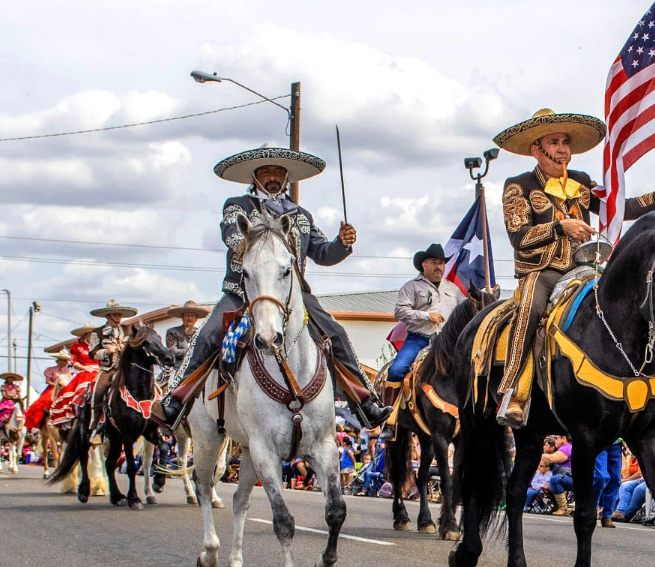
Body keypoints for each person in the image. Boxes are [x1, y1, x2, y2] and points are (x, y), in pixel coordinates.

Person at [154, 145, 391, 430]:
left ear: (287, 176)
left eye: (278, 171)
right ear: (254, 177)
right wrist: (253, 243)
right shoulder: (237, 206)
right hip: (243, 290)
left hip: (293, 295)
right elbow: (231, 236)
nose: (272, 176)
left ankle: (365, 402)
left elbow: (323, 253)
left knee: (338, 333)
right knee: (205, 336)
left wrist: (342, 244)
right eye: (265, 171)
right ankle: (174, 401)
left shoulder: (301, 215)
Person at [492, 109, 655, 427]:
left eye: (565, 142)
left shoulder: (581, 181)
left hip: (585, 269)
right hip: (542, 273)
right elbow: (519, 237)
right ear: (536, 149)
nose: (563, 149)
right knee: (529, 307)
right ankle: (513, 392)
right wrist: (560, 226)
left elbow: (618, 206)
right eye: (554, 142)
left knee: (629, 304)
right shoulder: (518, 186)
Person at [382, 243, 463, 440]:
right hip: (418, 339)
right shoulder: (411, 287)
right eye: (434, 262)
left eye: (442, 263)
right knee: (397, 370)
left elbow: (465, 310)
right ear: (424, 265)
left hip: (447, 343)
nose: (439, 267)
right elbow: (399, 311)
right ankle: (389, 420)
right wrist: (426, 316)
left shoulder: (452, 289)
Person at [86, 299, 138, 432]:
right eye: (115, 315)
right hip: (108, 369)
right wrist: (106, 351)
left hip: (125, 369)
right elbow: (92, 353)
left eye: (119, 315)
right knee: (98, 391)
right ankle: (95, 421)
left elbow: (134, 347)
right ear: (108, 316)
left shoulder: (128, 330)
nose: (118, 317)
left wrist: (126, 349)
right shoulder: (97, 332)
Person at [164, 301, 210, 372]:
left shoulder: (201, 333)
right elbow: (173, 351)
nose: (190, 318)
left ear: (196, 318)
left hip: (197, 369)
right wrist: (193, 351)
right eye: (187, 315)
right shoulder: (172, 332)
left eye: (192, 316)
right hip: (178, 370)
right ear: (182, 317)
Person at [542, 433, 574, 515]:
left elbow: (552, 458)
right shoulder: (570, 447)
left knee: (555, 480)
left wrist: (535, 455)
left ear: (563, 438)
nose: (555, 441)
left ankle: (562, 508)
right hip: (574, 477)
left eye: (557, 438)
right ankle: (560, 506)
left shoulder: (566, 448)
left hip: (573, 478)